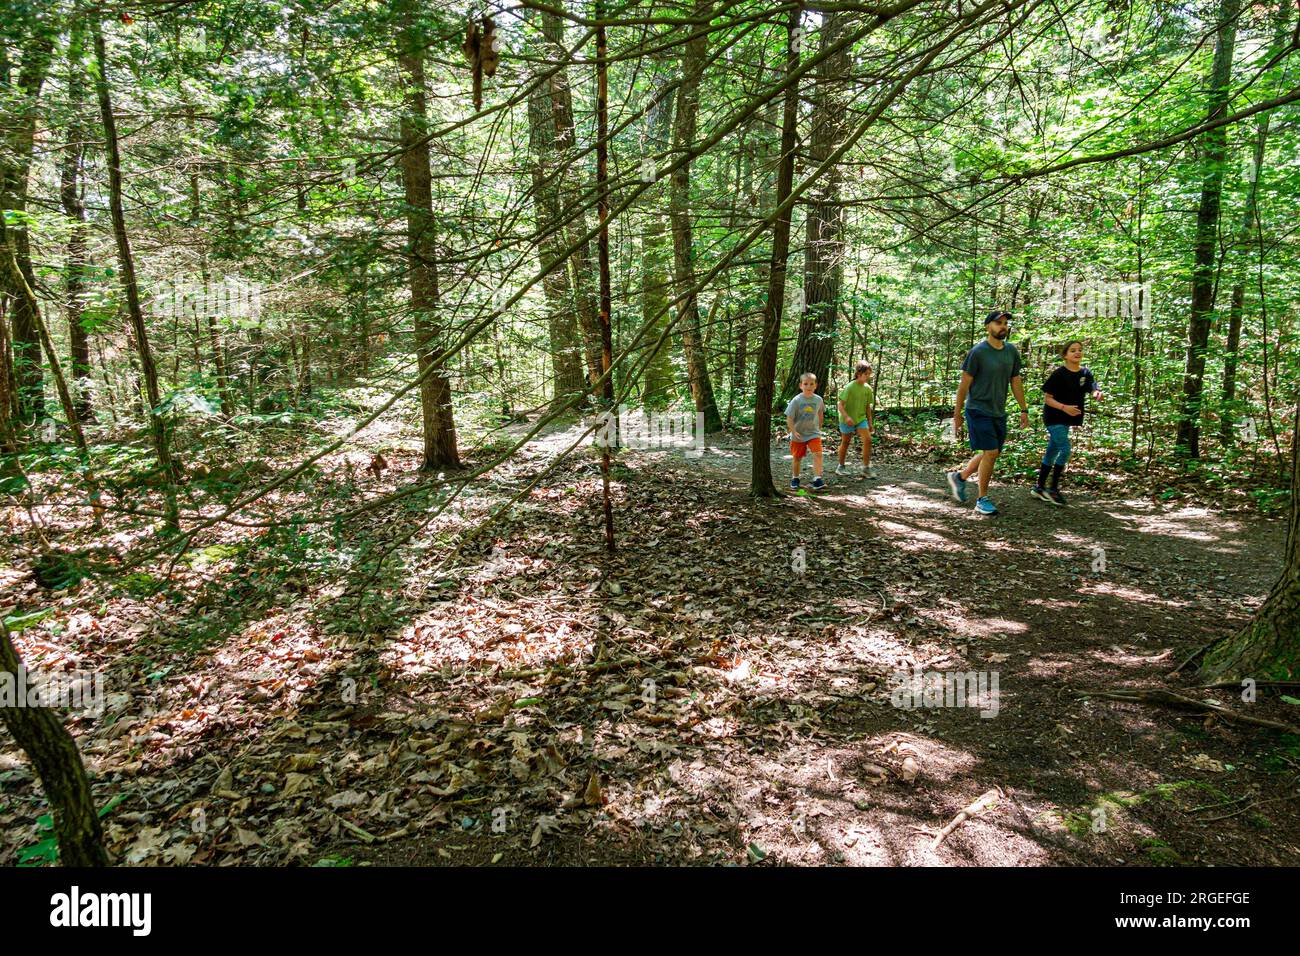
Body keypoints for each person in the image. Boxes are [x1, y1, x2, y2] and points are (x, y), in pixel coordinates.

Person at [945, 311, 1029, 515]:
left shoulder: (1011, 351)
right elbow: (963, 386)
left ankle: (960, 477)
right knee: (990, 452)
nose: (1003, 326)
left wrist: (1023, 409)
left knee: (990, 453)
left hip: (998, 411)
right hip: (977, 409)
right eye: (998, 323)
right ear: (987, 327)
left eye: (1005, 323)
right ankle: (982, 499)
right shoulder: (978, 352)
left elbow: (1015, 381)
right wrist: (957, 416)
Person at [1032, 340, 1103, 505]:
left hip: (1068, 419)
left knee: (1052, 450)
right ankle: (1053, 489)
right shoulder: (1059, 374)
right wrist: (1064, 408)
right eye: (1072, 350)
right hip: (1054, 417)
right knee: (1065, 450)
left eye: (1080, 350)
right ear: (1065, 355)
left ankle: (1039, 487)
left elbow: (1093, 388)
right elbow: (1047, 399)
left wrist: (1097, 394)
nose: (1077, 353)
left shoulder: (1085, 373)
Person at [785, 372, 825, 492]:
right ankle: (795, 478)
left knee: (818, 453)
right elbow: (789, 417)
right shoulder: (796, 400)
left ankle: (817, 479)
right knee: (797, 457)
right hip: (798, 434)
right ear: (800, 385)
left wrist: (820, 427)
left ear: (815, 386)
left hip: (813, 433)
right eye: (805, 384)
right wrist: (793, 431)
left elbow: (820, 413)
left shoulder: (818, 400)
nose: (808, 386)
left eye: (811, 384)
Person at [836, 361, 876, 478]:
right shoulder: (850, 387)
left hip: (860, 419)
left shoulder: (868, 389)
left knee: (868, 440)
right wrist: (847, 417)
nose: (868, 376)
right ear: (859, 373)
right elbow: (840, 405)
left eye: (869, 374)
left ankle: (866, 468)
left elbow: (867, 406)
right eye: (866, 374)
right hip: (846, 420)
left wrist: (869, 422)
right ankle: (841, 466)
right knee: (846, 442)